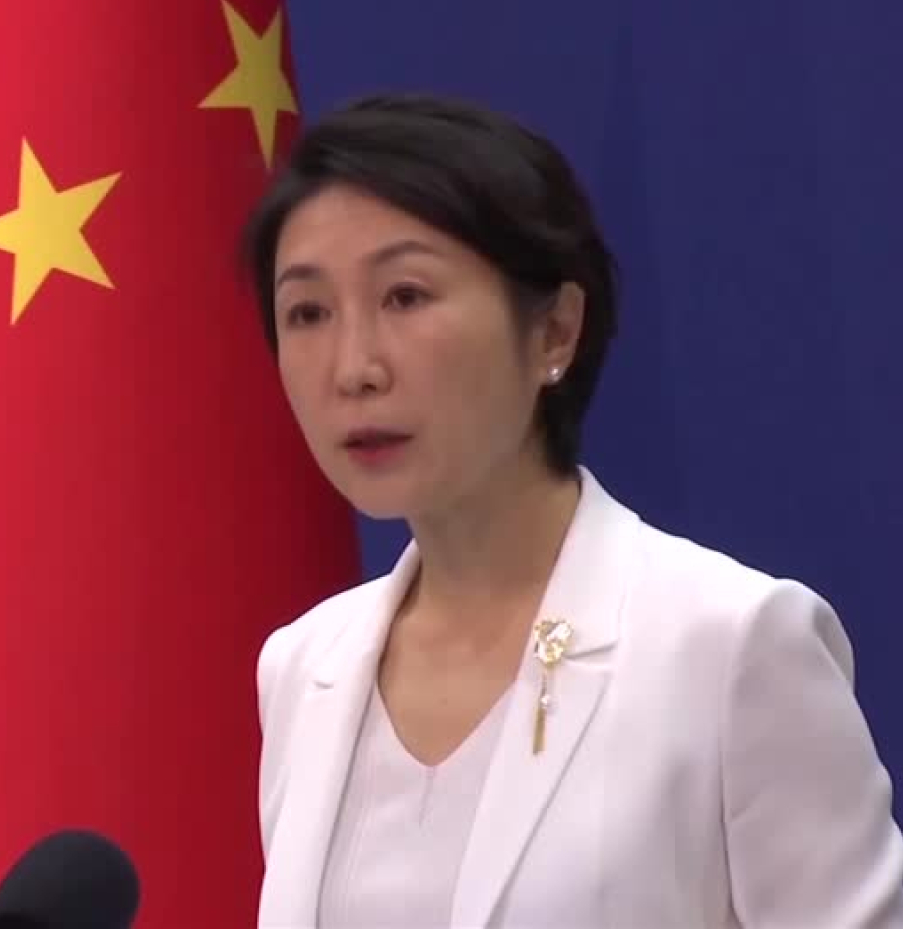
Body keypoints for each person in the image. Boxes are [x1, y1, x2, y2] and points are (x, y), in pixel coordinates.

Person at [239, 92, 903, 928]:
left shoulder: (731, 645)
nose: (353, 368)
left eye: (405, 296)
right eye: (307, 313)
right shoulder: (303, 667)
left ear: (554, 330)